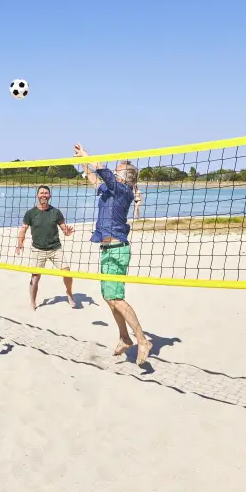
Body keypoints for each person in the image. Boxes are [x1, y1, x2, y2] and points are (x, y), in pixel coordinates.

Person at [74, 144, 152, 366]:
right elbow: (92, 176)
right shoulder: (110, 190)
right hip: (107, 249)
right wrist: (81, 160)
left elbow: (101, 169)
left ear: (124, 178)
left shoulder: (123, 190)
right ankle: (125, 337)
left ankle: (142, 340)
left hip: (117, 249)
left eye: (117, 171)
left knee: (116, 298)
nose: (114, 172)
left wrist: (88, 156)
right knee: (109, 299)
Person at [17, 185, 75, 310]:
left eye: (46, 193)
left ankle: (69, 293)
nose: (44, 195)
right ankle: (33, 302)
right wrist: (20, 243)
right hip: (38, 249)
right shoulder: (30, 213)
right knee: (35, 277)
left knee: (67, 273)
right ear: (37, 195)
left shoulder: (56, 212)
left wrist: (67, 232)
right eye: (41, 193)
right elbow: (23, 229)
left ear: (49, 196)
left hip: (55, 248)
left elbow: (64, 229)